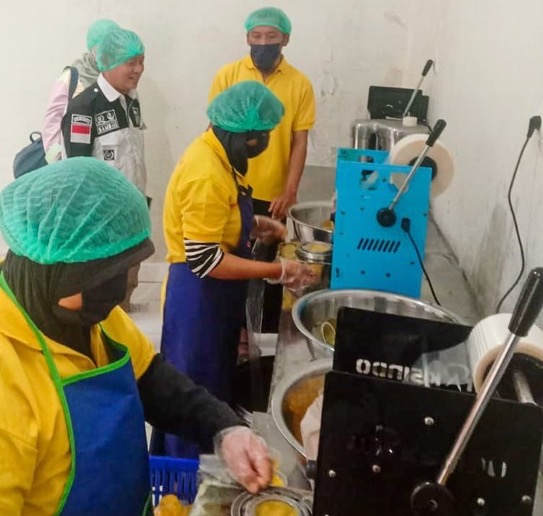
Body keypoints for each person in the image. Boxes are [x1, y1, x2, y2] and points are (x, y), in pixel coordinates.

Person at [0, 157, 272, 515]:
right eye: (107, 279)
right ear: (58, 271)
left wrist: (225, 429)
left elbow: (152, 379)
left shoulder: (86, 315)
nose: (122, 293)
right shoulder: (9, 382)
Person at [154, 80, 317, 459]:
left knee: (210, 390)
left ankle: (205, 464)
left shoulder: (218, 156)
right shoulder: (206, 173)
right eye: (262, 136)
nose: (264, 143)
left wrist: (253, 224)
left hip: (214, 300)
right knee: (194, 396)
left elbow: (217, 218)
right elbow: (205, 259)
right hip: (197, 303)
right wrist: (276, 270)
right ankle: (187, 480)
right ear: (242, 134)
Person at [209, 6, 316, 336]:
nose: (263, 42)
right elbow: (215, 129)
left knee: (268, 268)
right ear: (247, 38)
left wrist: (290, 190)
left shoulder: (299, 84)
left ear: (286, 39)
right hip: (232, 189)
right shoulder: (229, 75)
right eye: (256, 36)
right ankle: (233, 332)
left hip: (273, 195)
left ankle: (263, 335)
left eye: (271, 36)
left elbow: (300, 141)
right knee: (230, 263)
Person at [61, 26, 147, 311]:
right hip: (102, 221)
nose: (138, 70)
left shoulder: (131, 100)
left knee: (126, 289)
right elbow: (77, 171)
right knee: (103, 297)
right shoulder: (84, 107)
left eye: (141, 61)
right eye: (131, 63)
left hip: (132, 213)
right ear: (108, 62)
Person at [42, 19, 120, 164]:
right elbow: (52, 124)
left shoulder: (117, 78)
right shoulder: (71, 78)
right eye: (101, 51)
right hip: (74, 159)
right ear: (92, 50)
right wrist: (57, 163)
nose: (107, 56)